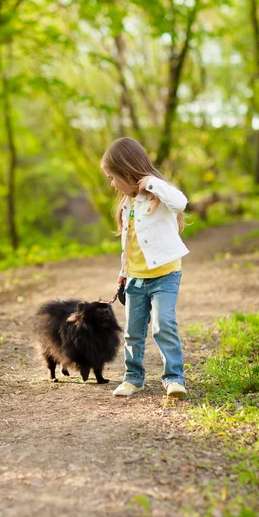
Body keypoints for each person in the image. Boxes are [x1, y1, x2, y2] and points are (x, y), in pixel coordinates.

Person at [101, 137, 189, 398]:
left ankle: (174, 378)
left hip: (165, 275)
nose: (111, 183)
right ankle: (133, 377)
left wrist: (151, 181)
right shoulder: (127, 203)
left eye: (112, 177)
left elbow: (181, 202)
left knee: (163, 326)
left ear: (128, 173)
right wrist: (123, 273)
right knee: (133, 331)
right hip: (136, 278)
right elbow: (129, 244)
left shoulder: (158, 196)